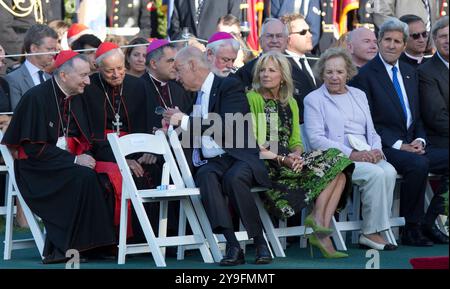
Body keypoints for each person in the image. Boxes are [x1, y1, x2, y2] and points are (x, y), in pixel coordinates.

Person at [1, 51, 116, 264]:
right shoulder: (36, 98)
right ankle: (67, 247)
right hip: (36, 169)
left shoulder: (77, 98)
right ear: (64, 76)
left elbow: (85, 139)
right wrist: (73, 160)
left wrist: (84, 156)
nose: (88, 81)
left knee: (102, 177)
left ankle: (96, 245)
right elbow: (33, 148)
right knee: (83, 177)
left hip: (65, 164)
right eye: (83, 75)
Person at [163, 46, 273, 266]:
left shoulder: (229, 85)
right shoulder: (192, 95)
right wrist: (171, 128)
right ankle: (231, 244)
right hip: (213, 161)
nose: (176, 77)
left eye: (179, 70)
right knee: (206, 176)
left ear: (193, 65)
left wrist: (183, 121)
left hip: (240, 156)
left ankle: (260, 241)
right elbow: (192, 132)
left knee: (234, 178)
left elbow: (225, 127)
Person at [350, 18, 449, 246]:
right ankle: (410, 228)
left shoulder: (409, 72)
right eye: (388, 40)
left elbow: (418, 115)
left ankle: (429, 221)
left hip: (413, 143)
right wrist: (398, 145)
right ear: (379, 42)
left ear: (404, 45)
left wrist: (420, 139)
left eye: (397, 41)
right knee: (417, 165)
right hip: (384, 146)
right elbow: (369, 122)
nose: (392, 46)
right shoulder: (364, 76)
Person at [247, 51, 354, 258]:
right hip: (270, 163)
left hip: (291, 160)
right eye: (262, 70)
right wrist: (284, 159)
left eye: (271, 70)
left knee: (340, 163)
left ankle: (319, 221)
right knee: (335, 167)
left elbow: (296, 140)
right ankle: (321, 231)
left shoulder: (292, 103)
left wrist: (296, 155)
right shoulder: (254, 99)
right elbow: (258, 144)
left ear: (282, 75)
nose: (265, 74)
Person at [304, 48, 398, 251]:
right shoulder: (314, 99)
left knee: (389, 170)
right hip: (337, 159)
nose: (334, 77)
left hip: (366, 153)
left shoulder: (359, 94)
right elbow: (316, 140)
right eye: (329, 72)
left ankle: (375, 229)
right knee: (375, 174)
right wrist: (352, 155)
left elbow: (371, 130)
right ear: (322, 74)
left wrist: (375, 150)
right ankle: (371, 232)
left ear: (348, 72)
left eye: (339, 72)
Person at [82, 42, 156, 236]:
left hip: (136, 149)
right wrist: (121, 159)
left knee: (152, 172)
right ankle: (116, 239)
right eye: (109, 71)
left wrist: (148, 151)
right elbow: (90, 135)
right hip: (101, 150)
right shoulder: (88, 88)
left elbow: (147, 124)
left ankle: (150, 236)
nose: (116, 75)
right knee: (110, 180)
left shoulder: (138, 85)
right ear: (98, 68)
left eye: (120, 68)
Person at [234, 18, 313, 124]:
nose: (274, 40)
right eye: (270, 36)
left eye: (279, 36)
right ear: (260, 41)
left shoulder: (300, 77)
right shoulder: (243, 74)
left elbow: (307, 116)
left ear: (287, 41)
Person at [142, 39, 193, 132]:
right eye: (170, 61)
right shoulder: (138, 88)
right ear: (153, 64)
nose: (175, 66)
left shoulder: (179, 89)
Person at [5, 24, 58, 111]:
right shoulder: (13, 79)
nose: (54, 53)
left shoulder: (51, 79)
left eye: (54, 49)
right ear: (34, 48)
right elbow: (18, 115)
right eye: (49, 49)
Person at [418, 16, 449, 149]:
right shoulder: (426, 72)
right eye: (443, 36)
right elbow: (437, 118)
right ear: (434, 40)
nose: (448, 40)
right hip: (442, 139)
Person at [169, 0, 241, 41]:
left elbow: (234, 26)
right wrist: (188, 41)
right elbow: (174, 30)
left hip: (217, 57)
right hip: (189, 58)